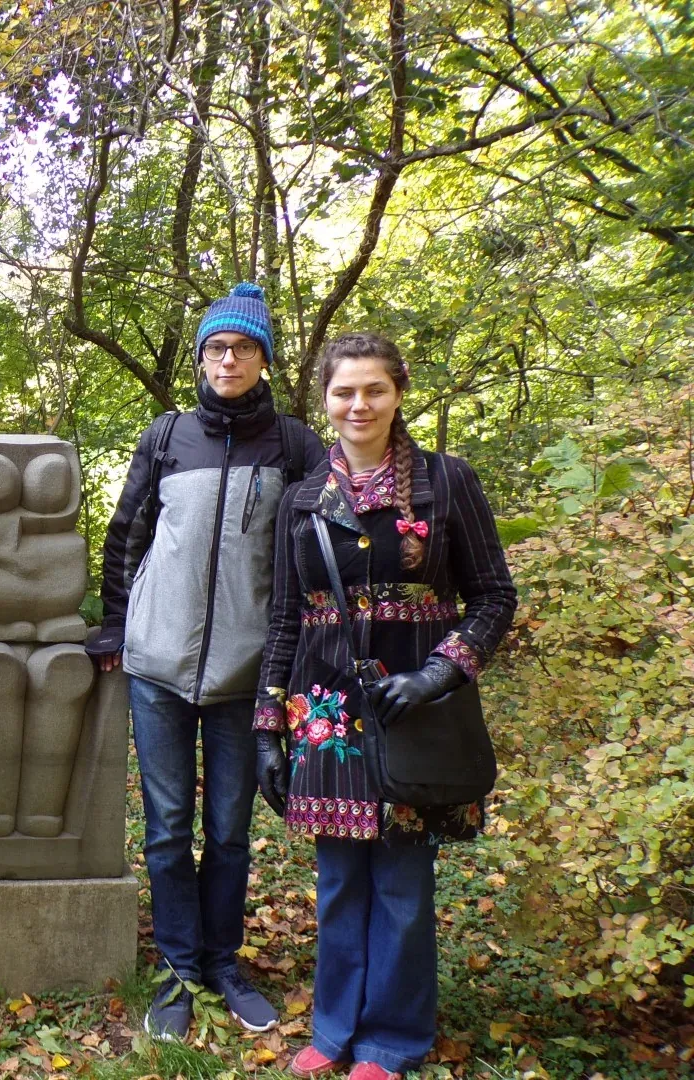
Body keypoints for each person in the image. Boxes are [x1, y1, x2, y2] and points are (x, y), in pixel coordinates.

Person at [252, 333, 516, 1080]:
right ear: (324, 400)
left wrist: (442, 673)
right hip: (326, 711)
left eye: (373, 389)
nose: (358, 404)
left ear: (398, 392)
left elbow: (495, 595)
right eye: (344, 392)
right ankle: (334, 1028)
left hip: (416, 708)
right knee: (338, 878)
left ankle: (394, 1038)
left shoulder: (445, 481)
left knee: (401, 880)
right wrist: (270, 727)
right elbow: (284, 618)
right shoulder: (304, 497)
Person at [89, 282, 323, 1039]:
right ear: (200, 358)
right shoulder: (166, 437)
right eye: (216, 348)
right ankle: (178, 969)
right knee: (165, 826)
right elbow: (125, 534)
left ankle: (223, 961)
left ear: (264, 360)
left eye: (243, 348)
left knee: (227, 829)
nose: (229, 359)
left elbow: (314, 556)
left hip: (246, 674)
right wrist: (116, 626)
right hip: (157, 664)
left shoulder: (294, 445)